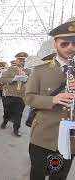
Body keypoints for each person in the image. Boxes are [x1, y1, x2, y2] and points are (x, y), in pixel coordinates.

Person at [25, 18, 75, 180]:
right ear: (55, 43)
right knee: (38, 175)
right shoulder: (41, 70)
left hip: (69, 138)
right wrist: (52, 100)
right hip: (43, 135)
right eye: (64, 43)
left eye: (74, 43)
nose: (70, 48)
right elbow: (29, 98)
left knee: (58, 177)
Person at [0, 52, 31, 137]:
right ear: (16, 60)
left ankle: (16, 129)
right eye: (19, 59)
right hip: (10, 94)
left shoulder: (29, 71)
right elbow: (2, 79)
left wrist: (27, 79)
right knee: (7, 111)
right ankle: (5, 121)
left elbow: (33, 83)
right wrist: (13, 78)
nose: (21, 61)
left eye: (23, 60)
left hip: (21, 95)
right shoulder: (10, 69)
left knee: (18, 113)